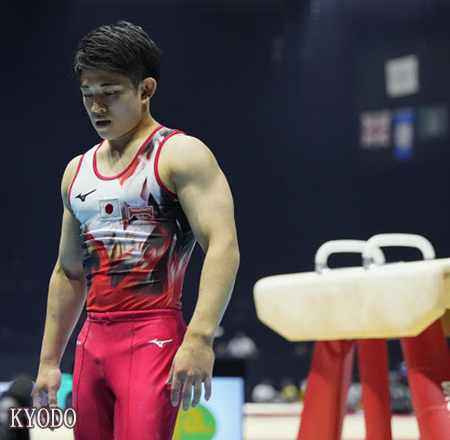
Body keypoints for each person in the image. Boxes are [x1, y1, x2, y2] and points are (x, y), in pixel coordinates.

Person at [32, 21, 240, 440]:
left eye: (110, 93)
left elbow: (223, 246)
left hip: (153, 336)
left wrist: (199, 338)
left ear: (146, 89)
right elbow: (69, 272)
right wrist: (49, 362)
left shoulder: (180, 155)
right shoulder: (76, 171)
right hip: (91, 342)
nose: (97, 107)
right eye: (88, 94)